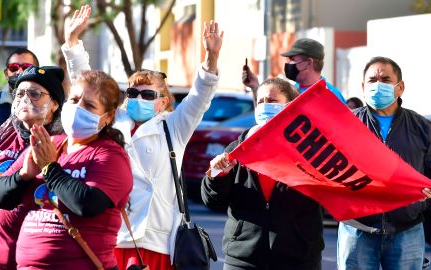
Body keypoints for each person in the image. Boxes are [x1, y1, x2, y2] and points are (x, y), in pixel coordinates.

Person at [61, 5, 223, 270]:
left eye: (148, 95)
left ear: (163, 102)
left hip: (156, 240)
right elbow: (87, 85)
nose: (138, 99)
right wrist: (73, 42)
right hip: (113, 233)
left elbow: (200, 96)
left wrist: (211, 56)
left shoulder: (174, 126)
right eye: (132, 93)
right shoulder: (112, 120)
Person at [0, 70, 133, 269]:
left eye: (89, 105)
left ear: (108, 117)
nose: (77, 108)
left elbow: (87, 204)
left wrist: (49, 168)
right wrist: (24, 175)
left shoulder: (110, 155)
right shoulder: (49, 144)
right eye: (74, 100)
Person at [337, 56, 431, 270]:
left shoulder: (422, 126)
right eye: (372, 80)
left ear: (400, 88)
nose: (377, 85)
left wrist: (427, 200)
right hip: (357, 229)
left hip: (407, 230)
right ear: (363, 87)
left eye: (385, 79)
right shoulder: (346, 124)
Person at [202, 78, 324, 270]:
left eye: (272, 101)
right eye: (261, 102)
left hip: (297, 260)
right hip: (243, 259)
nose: (265, 106)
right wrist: (217, 176)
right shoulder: (237, 149)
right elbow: (212, 201)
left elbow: (331, 197)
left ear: (291, 106)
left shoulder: (310, 152)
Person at [0, 65, 64, 269]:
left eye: (35, 93)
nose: (25, 98)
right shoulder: (0, 137)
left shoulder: (62, 143)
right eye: (20, 93)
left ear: (54, 105)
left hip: (34, 262)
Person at [243, 38, 346, 104]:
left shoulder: (330, 96)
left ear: (309, 62)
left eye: (292, 59)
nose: (288, 63)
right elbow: (267, 122)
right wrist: (255, 87)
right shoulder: (291, 90)